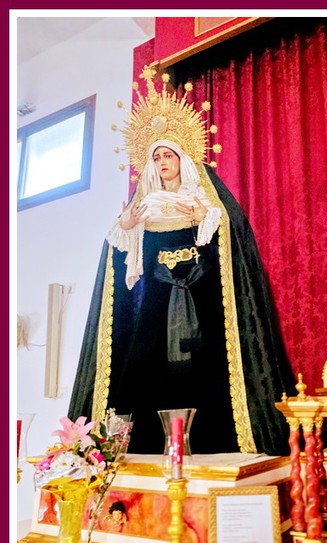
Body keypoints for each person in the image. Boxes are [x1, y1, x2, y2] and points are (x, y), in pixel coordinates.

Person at [68, 72, 293, 456]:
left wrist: (206, 219)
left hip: (204, 307)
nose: (162, 162)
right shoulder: (143, 207)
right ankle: (140, 445)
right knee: (145, 370)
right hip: (155, 310)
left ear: (182, 158)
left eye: (168, 155)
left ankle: (217, 441)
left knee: (209, 373)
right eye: (156, 157)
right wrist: (126, 228)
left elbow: (232, 249)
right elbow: (122, 270)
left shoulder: (205, 202)